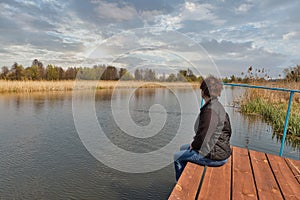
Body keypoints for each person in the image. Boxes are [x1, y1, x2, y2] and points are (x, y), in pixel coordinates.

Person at [173, 75, 232, 181]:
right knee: (183, 148)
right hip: (221, 151)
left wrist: (194, 146)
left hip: (215, 157)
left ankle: (181, 184)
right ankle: (187, 175)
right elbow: (228, 131)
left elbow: (203, 137)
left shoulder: (209, 111)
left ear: (204, 91)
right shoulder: (217, 105)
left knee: (177, 157)